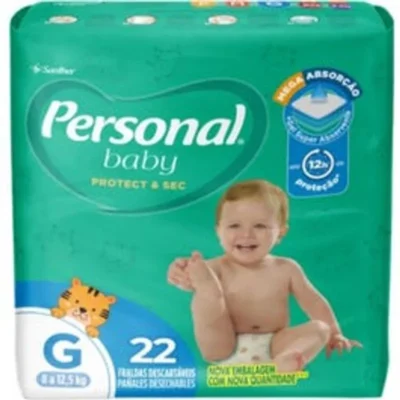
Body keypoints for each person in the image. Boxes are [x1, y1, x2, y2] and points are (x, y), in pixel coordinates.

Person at [167, 180, 362, 372]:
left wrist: (334, 333)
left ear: (280, 233)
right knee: (208, 298)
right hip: (223, 346)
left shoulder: (287, 268)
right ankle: (208, 290)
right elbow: (185, 283)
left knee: (320, 329)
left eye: (260, 226)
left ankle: (289, 358)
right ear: (218, 231)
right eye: (234, 226)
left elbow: (313, 301)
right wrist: (180, 273)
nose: (246, 234)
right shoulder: (213, 268)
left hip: (275, 346)